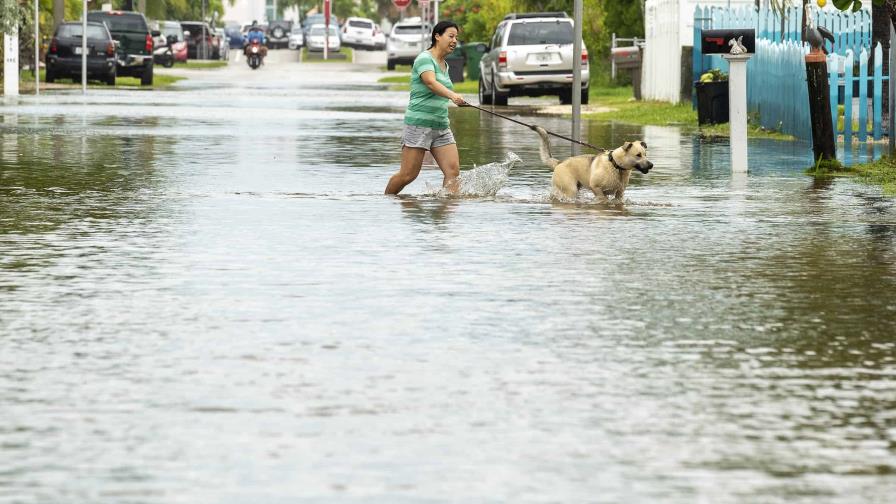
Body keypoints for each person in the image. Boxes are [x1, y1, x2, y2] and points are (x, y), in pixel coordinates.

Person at [385, 21, 467, 195]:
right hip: (418, 124)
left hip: (441, 125)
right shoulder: (424, 58)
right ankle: (386, 201)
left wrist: (456, 99)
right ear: (437, 36)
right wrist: (452, 95)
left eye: (456, 38)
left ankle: (447, 214)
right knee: (408, 175)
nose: (454, 41)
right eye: (450, 36)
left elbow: (440, 89)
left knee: (453, 172)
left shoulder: (445, 64)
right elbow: (430, 82)